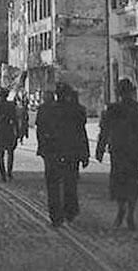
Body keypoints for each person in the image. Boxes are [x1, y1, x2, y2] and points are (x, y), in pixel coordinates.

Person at [95, 78, 138, 231]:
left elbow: (104, 131)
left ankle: (121, 210)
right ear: (132, 92)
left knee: (119, 181)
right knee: (133, 182)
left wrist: (100, 149)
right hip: (136, 152)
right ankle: (130, 212)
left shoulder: (112, 109)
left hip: (119, 151)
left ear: (118, 93)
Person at [36, 84, 89, 227]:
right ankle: (70, 211)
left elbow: (40, 131)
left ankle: (55, 216)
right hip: (70, 152)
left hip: (52, 152)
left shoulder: (45, 110)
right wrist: (85, 154)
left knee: (52, 184)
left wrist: (42, 149)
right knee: (70, 182)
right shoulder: (77, 110)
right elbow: (81, 133)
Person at [0, 88, 18, 182]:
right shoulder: (11, 105)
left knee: (0, 153)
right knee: (10, 151)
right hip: (8, 129)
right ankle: (9, 172)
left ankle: (3, 174)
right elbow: (15, 119)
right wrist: (16, 131)